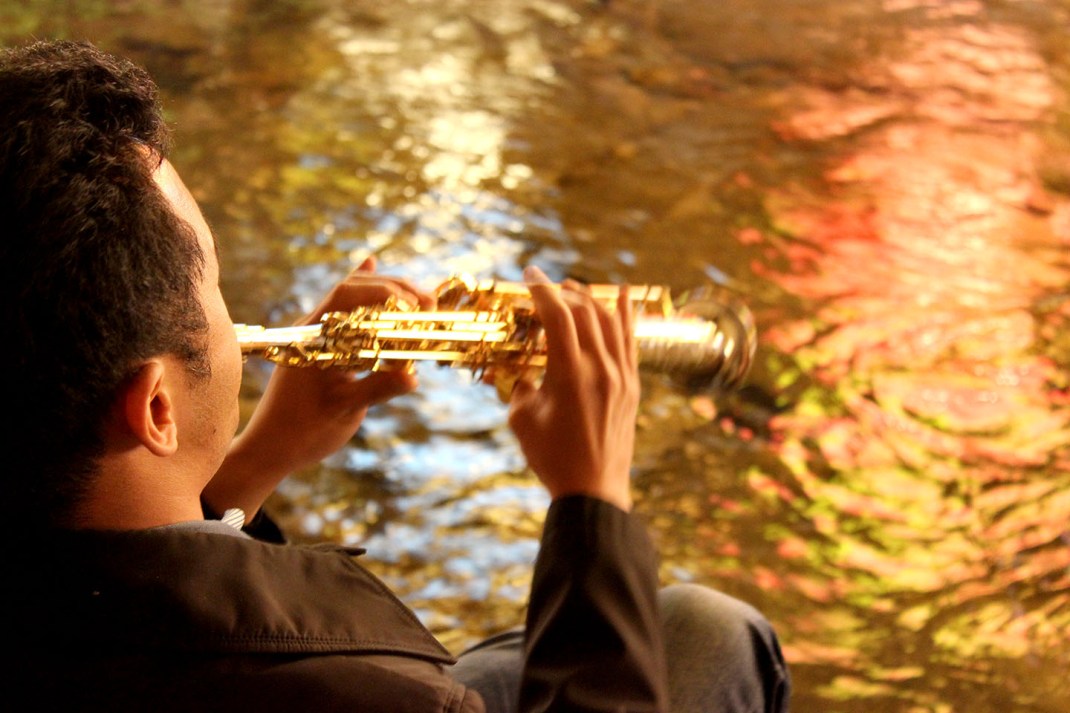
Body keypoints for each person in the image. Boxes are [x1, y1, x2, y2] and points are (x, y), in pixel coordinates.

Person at [1, 39, 790, 713]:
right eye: (214, 286)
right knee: (719, 634)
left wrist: (266, 449)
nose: (233, 318)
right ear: (156, 408)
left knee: (699, 623)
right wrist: (593, 508)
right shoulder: (382, 698)